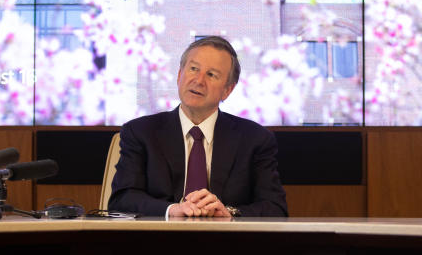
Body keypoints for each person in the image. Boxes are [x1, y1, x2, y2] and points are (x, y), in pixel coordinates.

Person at [109, 36, 288, 217]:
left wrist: (230, 213)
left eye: (211, 75)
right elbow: (122, 199)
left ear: (228, 90)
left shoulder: (255, 139)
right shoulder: (141, 132)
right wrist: (172, 210)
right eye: (193, 69)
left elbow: (276, 208)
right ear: (179, 75)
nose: (199, 80)